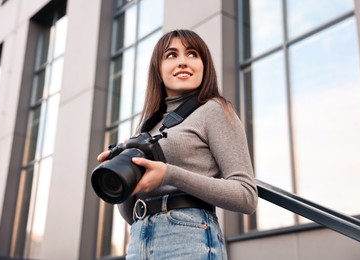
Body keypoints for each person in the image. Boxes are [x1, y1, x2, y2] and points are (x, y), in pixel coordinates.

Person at [97, 29, 257, 259]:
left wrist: (169, 174)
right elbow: (130, 213)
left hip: (189, 237)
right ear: (158, 70)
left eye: (192, 54)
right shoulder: (146, 125)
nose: (183, 62)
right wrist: (119, 178)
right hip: (139, 238)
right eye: (171, 55)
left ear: (204, 65)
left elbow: (246, 196)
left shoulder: (214, 110)